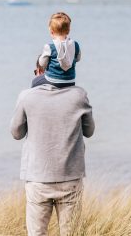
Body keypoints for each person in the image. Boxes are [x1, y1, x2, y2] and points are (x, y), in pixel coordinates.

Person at [10, 66, 95, 236]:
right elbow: (89, 131)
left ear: (40, 71)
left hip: (37, 178)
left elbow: (16, 133)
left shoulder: (27, 96)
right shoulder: (79, 95)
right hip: (70, 178)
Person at [36, 12, 81, 88]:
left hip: (52, 80)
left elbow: (42, 64)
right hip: (70, 80)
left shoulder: (49, 47)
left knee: (36, 82)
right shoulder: (75, 45)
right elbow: (78, 58)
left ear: (51, 32)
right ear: (68, 31)